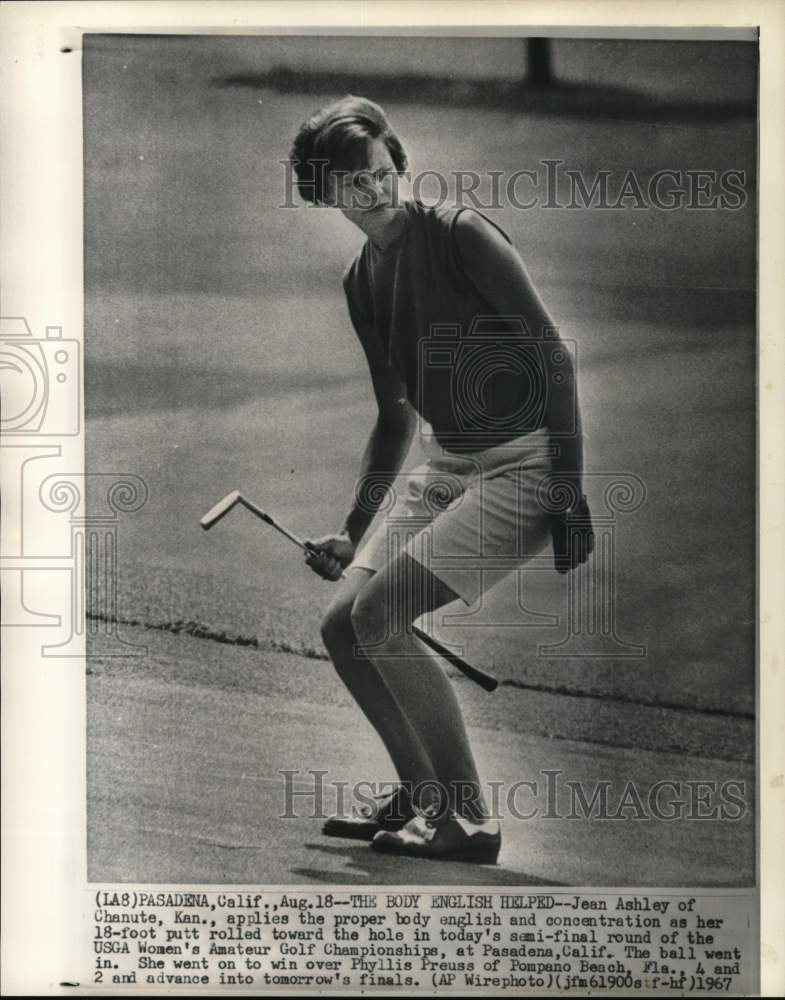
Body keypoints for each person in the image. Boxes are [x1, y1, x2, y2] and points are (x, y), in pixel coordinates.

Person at [289, 96, 593, 864]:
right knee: (343, 625)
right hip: (445, 464)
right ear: (324, 194)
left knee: (382, 615)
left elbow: (554, 354)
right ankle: (423, 794)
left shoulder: (460, 235)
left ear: (398, 165)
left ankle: (468, 821)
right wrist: (352, 530)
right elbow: (394, 417)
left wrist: (566, 489)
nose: (375, 191)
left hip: (525, 465)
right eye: (353, 183)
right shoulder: (361, 279)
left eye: (382, 172)